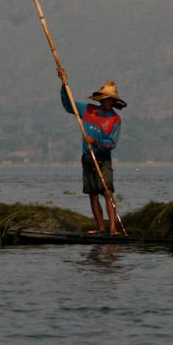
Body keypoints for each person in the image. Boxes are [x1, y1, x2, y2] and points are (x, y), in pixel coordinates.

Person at [58, 66, 125, 235]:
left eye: (110, 100)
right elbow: (68, 105)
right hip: (88, 157)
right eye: (105, 99)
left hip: (103, 159)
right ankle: (101, 227)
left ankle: (112, 228)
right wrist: (63, 83)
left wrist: (95, 141)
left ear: (113, 102)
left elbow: (111, 143)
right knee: (93, 194)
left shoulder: (115, 119)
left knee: (107, 192)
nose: (107, 102)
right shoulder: (88, 110)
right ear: (101, 99)